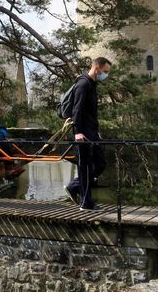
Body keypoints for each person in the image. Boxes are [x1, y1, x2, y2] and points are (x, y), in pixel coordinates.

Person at [64, 57, 111, 211]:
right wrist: (77, 132)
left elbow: (91, 112)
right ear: (97, 67)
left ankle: (74, 186)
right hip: (82, 133)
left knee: (100, 163)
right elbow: (76, 110)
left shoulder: (92, 84)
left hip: (91, 131)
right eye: (105, 71)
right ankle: (86, 203)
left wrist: (96, 131)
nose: (106, 75)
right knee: (84, 167)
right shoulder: (83, 84)